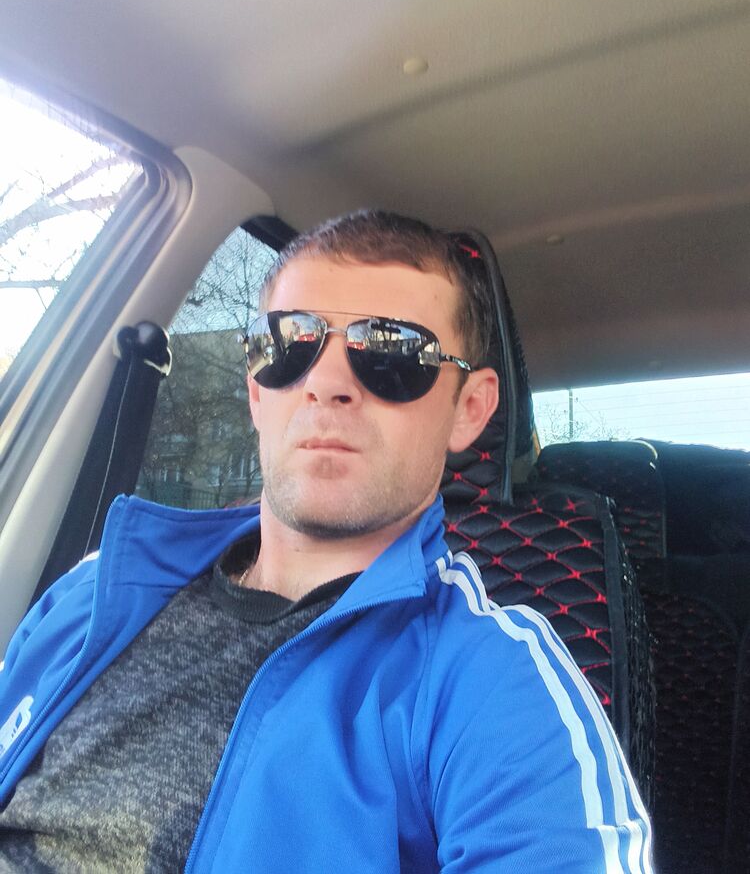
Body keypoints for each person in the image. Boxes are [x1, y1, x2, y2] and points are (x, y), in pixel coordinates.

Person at [0, 210, 652, 872]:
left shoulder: (491, 679)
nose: (326, 384)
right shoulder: (93, 592)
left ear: (470, 409)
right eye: (289, 343)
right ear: (257, 392)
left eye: (392, 352)